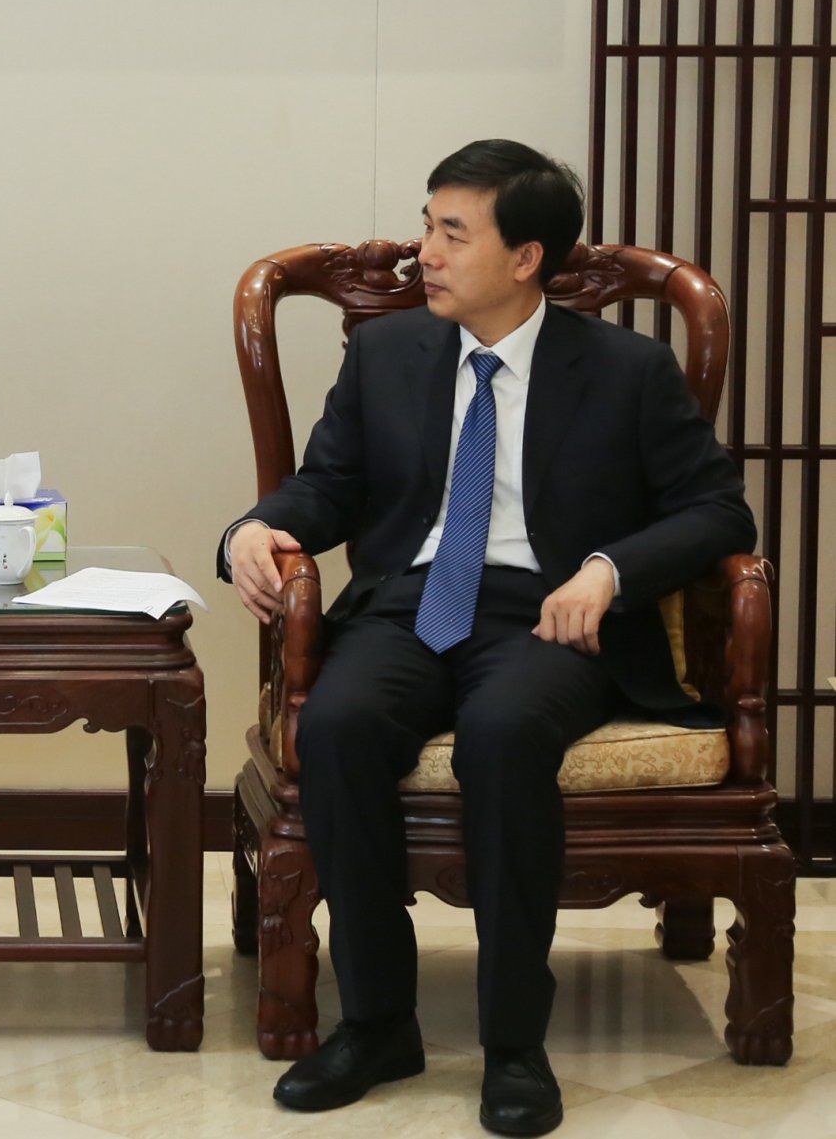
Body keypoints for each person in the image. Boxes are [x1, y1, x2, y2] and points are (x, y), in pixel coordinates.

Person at [219, 139, 755, 1138]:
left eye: (451, 233)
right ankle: (378, 1022)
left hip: (546, 613)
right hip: (409, 602)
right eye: (426, 224)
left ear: (524, 257)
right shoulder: (387, 352)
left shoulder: (625, 370)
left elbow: (719, 510)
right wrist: (254, 528)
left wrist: (607, 570)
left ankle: (514, 1042)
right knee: (335, 724)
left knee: (505, 734)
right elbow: (327, 485)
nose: (422, 252)